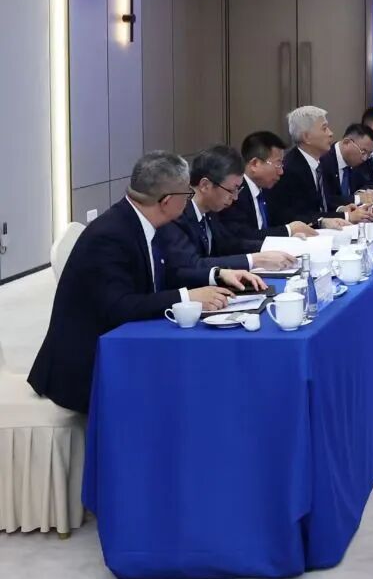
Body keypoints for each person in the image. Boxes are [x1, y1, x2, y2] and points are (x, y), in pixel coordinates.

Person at [27, 152, 264, 414]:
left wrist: (218, 275)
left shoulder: (140, 220)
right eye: (187, 194)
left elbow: (164, 272)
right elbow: (120, 306)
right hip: (87, 368)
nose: (189, 200)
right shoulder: (110, 236)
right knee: (198, 386)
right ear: (167, 201)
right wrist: (188, 297)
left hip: (123, 345)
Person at [155, 145, 297, 277]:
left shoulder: (211, 211)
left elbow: (228, 244)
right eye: (231, 190)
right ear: (205, 185)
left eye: (238, 190)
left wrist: (274, 247)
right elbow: (192, 264)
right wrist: (254, 260)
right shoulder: (177, 214)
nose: (235, 197)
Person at [266, 106, 373, 228]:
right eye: (324, 128)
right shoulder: (290, 169)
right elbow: (298, 215)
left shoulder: (320, 162)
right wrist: (346, 216)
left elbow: (321, 203)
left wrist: (340, 209)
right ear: (307, 137)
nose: (331, 133)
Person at [221, 130, 320, 246]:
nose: (281, 171)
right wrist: (288, 231)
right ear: (255, 164)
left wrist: (320, 222)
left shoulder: (268, 189)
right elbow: (243, 236)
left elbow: (286, 217)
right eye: (278, 164)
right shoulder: (234, 193)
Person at [321, 123, 373, 204]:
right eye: (363, 152)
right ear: (346, 143)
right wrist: (357, 199)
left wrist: (361, 192)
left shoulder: (356, 162)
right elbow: (325, 199)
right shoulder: (324, 160)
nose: (364, 158)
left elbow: (366, 184)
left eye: (369, 154)